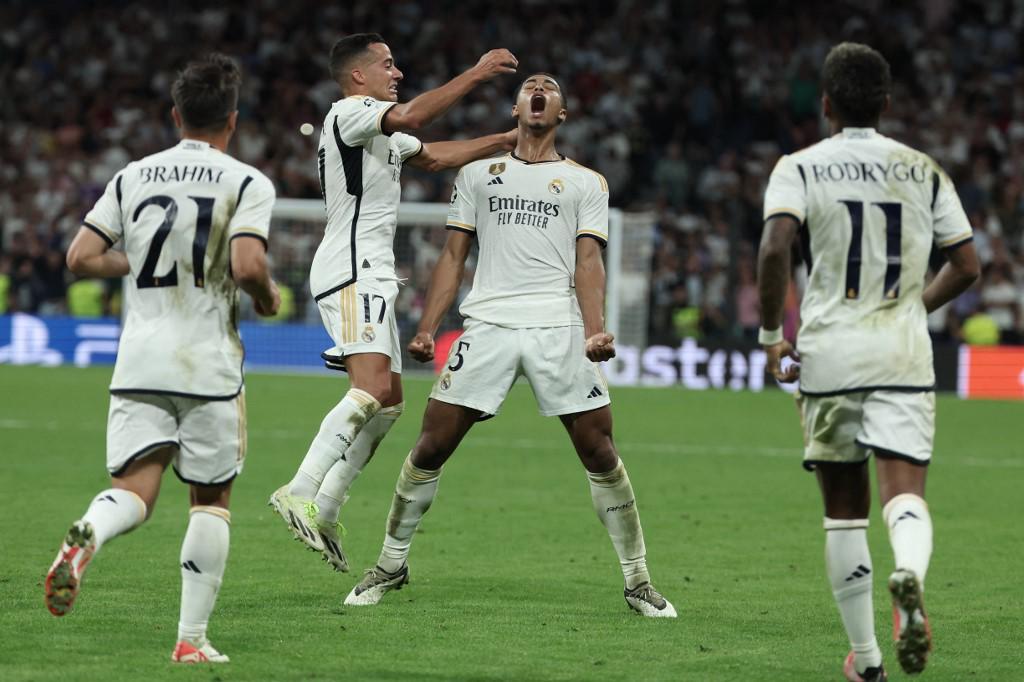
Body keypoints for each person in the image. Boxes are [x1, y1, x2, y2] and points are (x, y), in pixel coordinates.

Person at [343, 73, 676, 619]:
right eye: (528, 87)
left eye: (549, 88)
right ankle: (390, 563)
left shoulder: (586, 183)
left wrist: (594, 328)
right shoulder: (478, 174)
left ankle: (638, 580)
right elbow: (454, 256)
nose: (538, 91)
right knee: (431, 445)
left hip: (558, 327)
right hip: (490, 325)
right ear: (516, 106)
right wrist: (428, 326)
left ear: (562, 113)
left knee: (599, 451)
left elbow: (588, 261)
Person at [44, 54, 280, 664]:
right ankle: (190, 640)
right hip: (207, 365)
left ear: (175, 115)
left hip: (140, 359)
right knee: (209, 500)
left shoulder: (132, 176)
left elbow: (79, 257)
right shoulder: (246, 182)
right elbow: (251, 265)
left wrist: (141, 261)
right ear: (232, 119)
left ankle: (89, 532)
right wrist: (269, 295)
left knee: (134, 490)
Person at [757, 43, 980, 681]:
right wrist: (915, 306)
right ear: (886, 104)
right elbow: (967, 265)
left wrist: (774, 333)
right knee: (903, 493)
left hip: (829, 352)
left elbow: (775, 248)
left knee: (843, 510)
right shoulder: (924, 169)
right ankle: (907, 571)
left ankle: (868, 660)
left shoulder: (798, 167)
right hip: (902, 352)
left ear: (825, 104)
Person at [269, 33, 520, 573]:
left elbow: (433, 156)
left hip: (372, 273)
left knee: (389, 403)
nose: (396, 71)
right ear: (358, 76)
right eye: (386, 64)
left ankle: (328, 507)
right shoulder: (352, 111)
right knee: (371, 389)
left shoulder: (374, 128)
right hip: (352, 270)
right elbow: (409, 117)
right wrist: (476, 73)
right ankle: (300, 489)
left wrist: (506, 139)